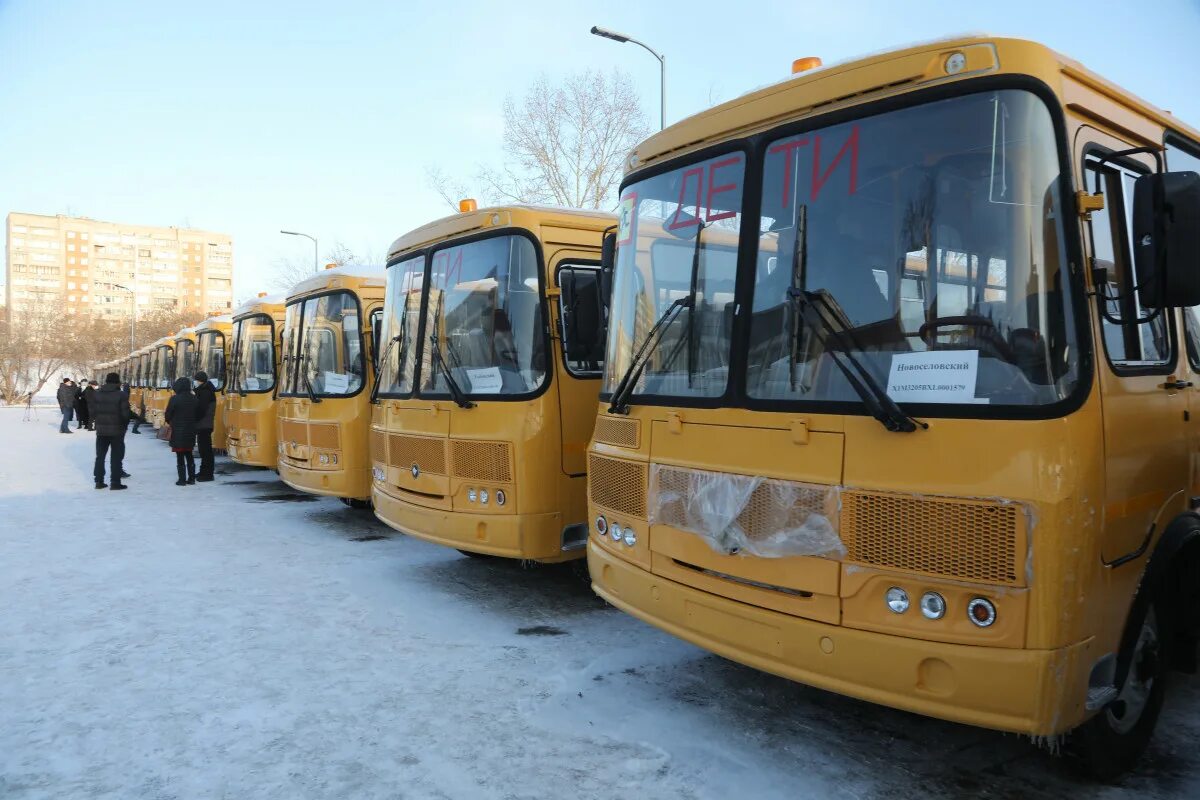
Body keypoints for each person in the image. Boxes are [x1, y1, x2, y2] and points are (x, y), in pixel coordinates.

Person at [91, 372, 131, 490]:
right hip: (117, 431)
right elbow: (126, 415)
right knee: (116, 457)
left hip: (101, 431)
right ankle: (115, 482)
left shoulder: (97, 394)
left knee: (100, 456)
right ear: (117, 382)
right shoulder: (121, 395)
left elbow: (93, 413)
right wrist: (124, 426)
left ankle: (99, 481)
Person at [164, 376, 199, 486]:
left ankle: (182, 479)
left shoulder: (174, 399)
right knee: (189, 454)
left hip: (178, 431)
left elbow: (168, 415)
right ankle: (192, 478)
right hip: (191, 430)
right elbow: (199, 414)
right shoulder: (194, 398)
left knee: (180, 456)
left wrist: (171, 422)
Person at [193, 370, 217, 482]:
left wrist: (194, 418)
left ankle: (207, 474)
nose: (195, 382)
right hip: (204, 424)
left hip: (204, 424)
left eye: (196, 380)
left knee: (206, 450)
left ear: (200, 380)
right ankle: (203, 471)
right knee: (204, 449)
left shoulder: (205, 392)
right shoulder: (204, 390)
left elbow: (201, 409)